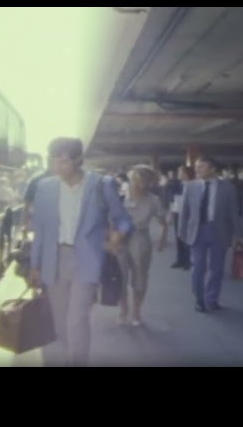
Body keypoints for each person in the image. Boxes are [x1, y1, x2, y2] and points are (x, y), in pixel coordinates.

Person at [29, 137, 133, 366]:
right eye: (53, 160)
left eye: (63, 161)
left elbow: (123, 219)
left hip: (86, 259)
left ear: (78, 160)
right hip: (54, 259)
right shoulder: (45, 187)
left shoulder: (100, 184)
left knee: (77, 320)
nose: (57, 166)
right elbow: (40, 230)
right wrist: (34, 265)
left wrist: (119, 234)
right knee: (60, 324)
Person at [178, 156, 241, 312]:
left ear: (212, 169)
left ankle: (211, 299)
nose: (197, 170)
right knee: (198, 266)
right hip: (197, 231)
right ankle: (199, 299)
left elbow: (234, 213)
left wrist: (236, 235)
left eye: (201, 167)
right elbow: (184, 211)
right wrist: (181, 232)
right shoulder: (190, 186)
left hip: (219, 231)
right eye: (196, 167)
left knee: (217, 268)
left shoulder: (227, 188)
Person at [117, 164, 168, 326]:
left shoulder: (154, 200)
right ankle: (123, 308)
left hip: (140, 237)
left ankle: (136, 309)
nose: (138, 184)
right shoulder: (119, 195)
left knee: (140, 277)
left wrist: (162, 239)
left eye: (143, 181)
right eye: (135, 180)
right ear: (130, 178)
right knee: (120, 277)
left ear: (150, 183)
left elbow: (162, 222)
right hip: (118, 238)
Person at [170, 165, 194, 270]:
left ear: (186, 173)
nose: (178, 174)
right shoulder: (177, 184)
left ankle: (188, 260)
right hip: (177, 212)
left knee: (188, 237)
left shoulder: (194, 185)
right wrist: (170, 213)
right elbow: (172, 200)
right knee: (178, 236)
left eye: (180, 172)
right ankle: (180, 260)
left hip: (189, 214)